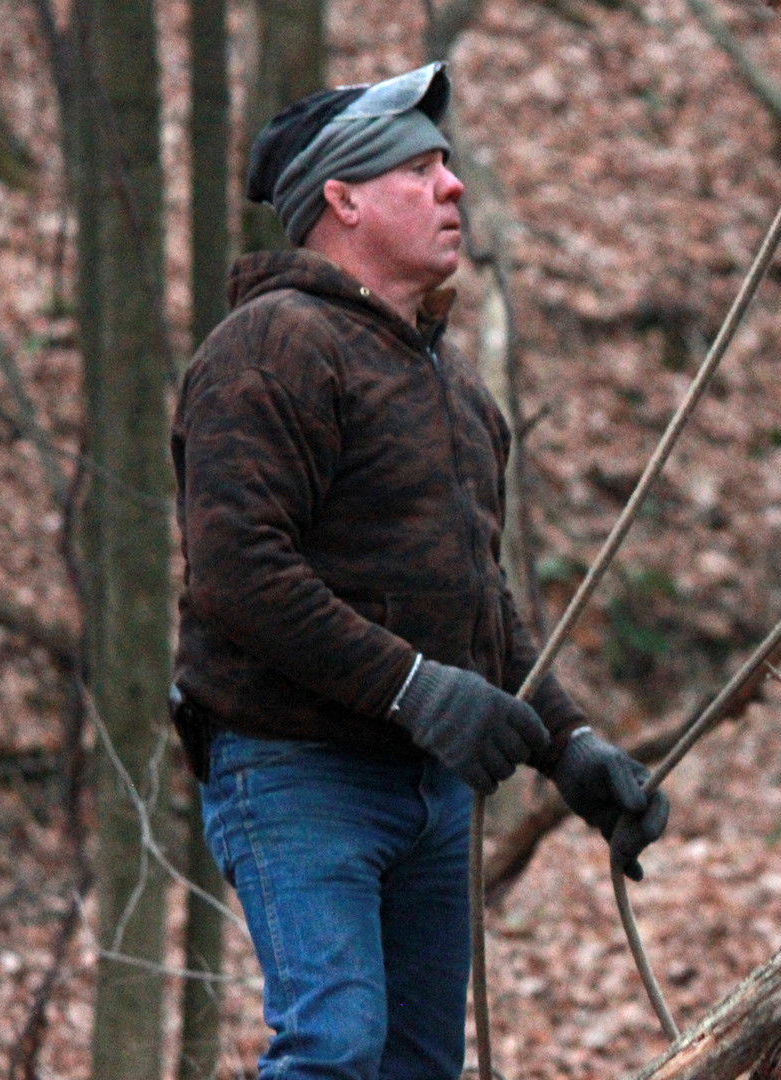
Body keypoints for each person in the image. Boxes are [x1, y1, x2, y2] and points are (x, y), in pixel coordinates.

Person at [169, 61, 669, 1080]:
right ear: (342, 199)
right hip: (294, 768)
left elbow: (479, 601)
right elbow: (236, 574)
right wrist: (414, 686)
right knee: (333, 1050)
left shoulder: (453, 383)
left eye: (449, 169)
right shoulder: (266, 347)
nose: (454, 189)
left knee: (415, 1067)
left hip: (429, 789)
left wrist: (567, 746)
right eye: (420, 169)